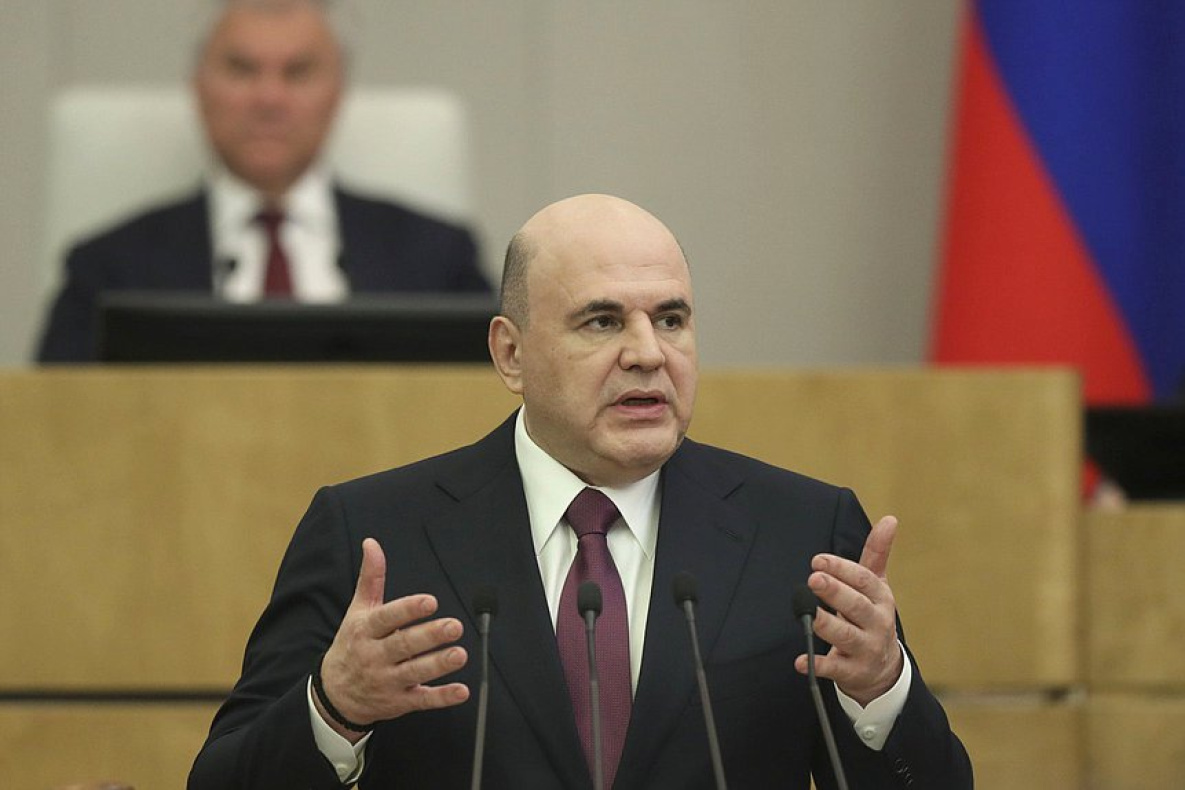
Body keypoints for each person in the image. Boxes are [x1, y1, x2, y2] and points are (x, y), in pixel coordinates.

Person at [189, 194, 972, 788]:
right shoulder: (373, 534)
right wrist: (333, 707)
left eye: (671, 319)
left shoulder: (802, 533)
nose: (647, 353)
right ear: (511, 354)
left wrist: (881, 692)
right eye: (601, 322)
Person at [36, 0, 489, 363]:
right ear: (198, 86)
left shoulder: (437, 260)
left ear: (337, 91)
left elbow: (494, 408)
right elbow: (52, 423)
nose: (269, 98)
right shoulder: (108, 270)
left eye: (298, 72)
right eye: (242, 69)